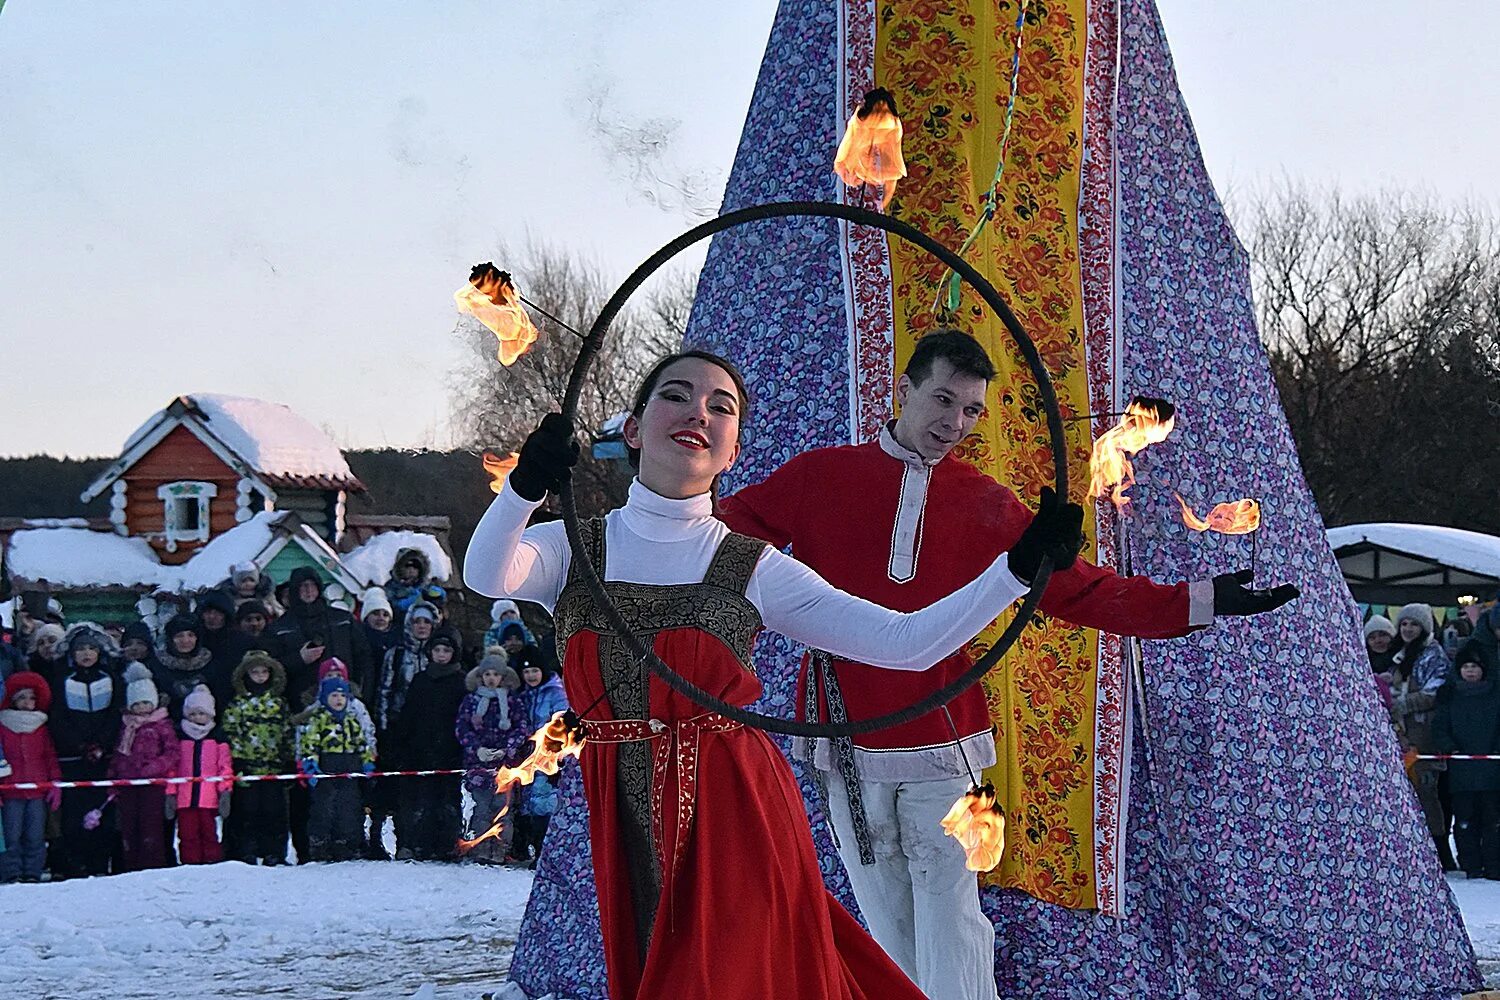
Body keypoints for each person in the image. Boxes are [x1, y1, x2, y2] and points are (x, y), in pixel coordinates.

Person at [463, 350, 1086, 1000]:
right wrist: (523, 488)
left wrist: (1015, 570)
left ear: (732, 452)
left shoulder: (750, 564)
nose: (698, 412)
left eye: (721, 407)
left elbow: (906, 643)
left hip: (733, 813)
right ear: (633, 426)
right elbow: (486, 575)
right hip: (621, 807)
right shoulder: (574, 549)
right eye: (677, 396)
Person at [716, 331, 1299, 999]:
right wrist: (590, 514)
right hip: (844, 738)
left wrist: (1200, 600)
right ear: (902, 390)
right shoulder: (818, 476)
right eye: (941, 400)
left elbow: (1081, 589)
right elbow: (711, 539)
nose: (953, 424)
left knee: (953, 915)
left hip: (947, 740)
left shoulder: (986, 501)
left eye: (969, 411)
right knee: (886, 920)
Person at [49, 623, 123, 878]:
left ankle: (100, 861)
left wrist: (102, 744)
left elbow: (116, 714)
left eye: (92, 648)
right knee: (74, 812)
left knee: (103, 809)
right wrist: (80, 746)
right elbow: (58, 717)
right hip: (73, 758)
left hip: (104, 757)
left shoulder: (111, 679)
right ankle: (74, 863)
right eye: (81, 649)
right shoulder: (62, 680)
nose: (86, 654)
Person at [1385, 602, 1454, 870]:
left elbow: (1433, 693)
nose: (1408, 629)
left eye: (1414, 624)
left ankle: (1440, 851)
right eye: (1404, 624)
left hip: (1424, 735)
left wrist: (1402, 704)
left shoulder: (1433, 655)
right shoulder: (1398, 656)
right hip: (1399, 734)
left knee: (1428, 794)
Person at [392, 627, 467, 861]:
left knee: (449, 800)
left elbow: (464, 717)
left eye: (446, 650)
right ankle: (422, 844)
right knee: (423, 800)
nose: (441, 654)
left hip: (450, 750)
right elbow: (409, 714)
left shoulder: (461, 681)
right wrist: (402, 743)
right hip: (421, 750)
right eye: (437, 649)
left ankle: (447, 844)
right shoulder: (420, 679)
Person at [1431, 647, 1500, 879]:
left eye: (1475, 667)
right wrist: (1450, 748)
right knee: (1464, 821)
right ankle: (1471, 864)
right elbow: (1439, 727)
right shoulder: (1450, 695)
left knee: (1492, 820)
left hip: (1492, 770)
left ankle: (1494, 864)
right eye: (1466, 667)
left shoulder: (1495, 695)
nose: (1470, 671)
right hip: (1461, 770)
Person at [222, 651, 293, 865]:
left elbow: (288, 731)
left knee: (275, 811)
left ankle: (275, 852)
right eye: (255, 672)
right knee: (246, 811)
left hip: (274, 768)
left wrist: (288, 759)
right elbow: (231, 732)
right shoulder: (238, 704)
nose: (260, 676)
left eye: (264, 671)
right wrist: (237, 759)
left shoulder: (279, 704)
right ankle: (246, 851)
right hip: (247, 768)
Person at [267, 567, 373, 704]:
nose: (308, 590)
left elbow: (364, 658)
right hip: (301, 703)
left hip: (344, 699)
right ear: (294, 590)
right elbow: (270, 667)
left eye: (312, 585)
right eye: (303, 586)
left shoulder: (343, 619)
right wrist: (299, 659)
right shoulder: (280, 627)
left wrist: (362, 694)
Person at [296, 675, 375, 862]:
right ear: (324, 698)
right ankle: (320, 845)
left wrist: (367, 762)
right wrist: (311, 766)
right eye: (333, 696)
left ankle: (345, 844)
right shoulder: (318, 720)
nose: (338, 700)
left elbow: (362, 744)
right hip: (327, 769)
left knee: (348, 809)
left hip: (349, 769)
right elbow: (310, 745)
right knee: (324, 809)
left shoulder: (351, 721)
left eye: (342, 696)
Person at [108, 664, 178, 872]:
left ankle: (153, 863)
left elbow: (172, 752)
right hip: (128, 783)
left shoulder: (161, 725)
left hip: (152, 783)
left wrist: (155, 767)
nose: (142, 708)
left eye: (146, 702)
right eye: (137, 704)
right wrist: (113, 778)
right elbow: (118, 754)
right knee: (129, 826)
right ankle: (131, 863)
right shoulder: (126, 726)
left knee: (151, 826)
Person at [456, 648, 521, 864]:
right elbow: (462, 729)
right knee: (481, 808)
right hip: (478, 765)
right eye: (487, 674)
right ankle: (480, 848)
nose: (491, 678)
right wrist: (477, 750)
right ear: (480, 676)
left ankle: (501, 849)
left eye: (496, 674)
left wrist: (507, 749)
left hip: (505, 766)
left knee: (503, 809)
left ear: (503, 677)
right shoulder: (471, 701)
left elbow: (521, 728)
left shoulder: (512, 702)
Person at [0, 671, 62, 882]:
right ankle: (12, 872)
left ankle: (32, 872)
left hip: (37, 789)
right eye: (23, 697)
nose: (28, 702)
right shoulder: (3, 726)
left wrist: (55, 782)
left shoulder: (41, 728)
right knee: (11, 835)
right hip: (11, 790)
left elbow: (49, 756)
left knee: (35, 835)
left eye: (32, 697)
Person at [509, 649, 567, 867]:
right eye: (527, 672)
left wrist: (553, 750)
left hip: (548, 756)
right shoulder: (523, 695)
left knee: (545, 803)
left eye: (535, 671)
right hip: (527, 756)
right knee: (528, 804)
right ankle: (529, 848)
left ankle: (546, 852)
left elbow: (562, 722)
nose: (531, 676)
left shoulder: (555, 693)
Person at [172, 685, 233, 865]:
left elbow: (225, 767)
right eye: (192, 714)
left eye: (201, 713)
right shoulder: (180, 737)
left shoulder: (217, 738)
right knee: (187, 833)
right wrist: (170, 792)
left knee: (209, 832)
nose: (197, 718)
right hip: (185, 797)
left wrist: (225, 791)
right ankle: (189, 863)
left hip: (208, 796)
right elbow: (172, 768)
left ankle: (211, 862)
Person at [154, 616, 223, 716]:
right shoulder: (158, 664)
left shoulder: (211, 663)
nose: (185, 640)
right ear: (171, 639)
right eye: (179, 636)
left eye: (191, 635)